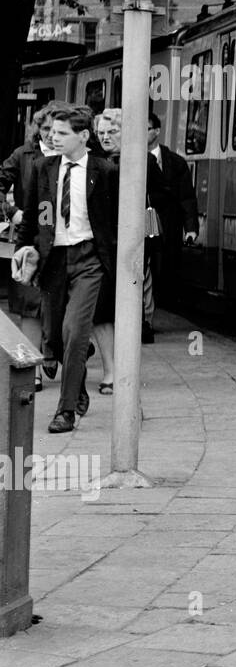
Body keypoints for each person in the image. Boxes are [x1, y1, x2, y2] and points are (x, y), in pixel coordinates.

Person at [12, 106, 119, 433]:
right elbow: (33, 217)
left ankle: (66, 410)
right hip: (54, 261)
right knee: (54, 339)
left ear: (83, 136)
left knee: (75, 331)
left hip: (89, 261)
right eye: (52, 133)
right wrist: (23, 252)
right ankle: (79, 379)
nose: (53, 138)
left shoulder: (105, 171)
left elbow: (118, 222)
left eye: (62, 133)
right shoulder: (43, 168)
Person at [0, 105, 62, 390]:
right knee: (28, 304)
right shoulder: (22, 155)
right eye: (46, 129)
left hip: (63, 239)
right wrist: (12, 212)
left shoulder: (73, 156)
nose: (50, 135)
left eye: (56, 129)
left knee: (58, 302)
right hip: (29, 237)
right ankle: (32, 371)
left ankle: (53, 351)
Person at [145, 111, 199, 331]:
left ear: (157, 131)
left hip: (168, 222)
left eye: (146, 128)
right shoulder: (131, 159)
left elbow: (187, 197)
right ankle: (146, 318)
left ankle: (152, 314)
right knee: (149, 264)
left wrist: (191, 228)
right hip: (146, 218)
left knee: (163, 266)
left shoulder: (175, 162)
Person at [89, 111, 122, 392]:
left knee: (117, 311)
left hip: (127, 248)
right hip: (101, 248)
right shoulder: (94, 165)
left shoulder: (143, 163)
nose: (106, 137)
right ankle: (111, 369)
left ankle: (118, 368)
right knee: (101, 311)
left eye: (113, 131)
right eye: (101, 133)